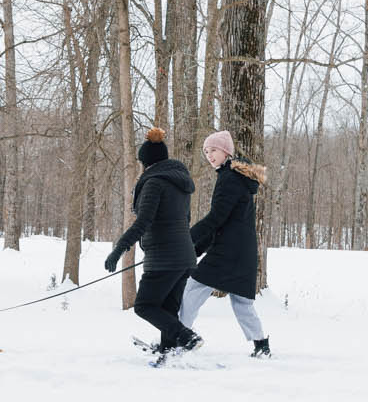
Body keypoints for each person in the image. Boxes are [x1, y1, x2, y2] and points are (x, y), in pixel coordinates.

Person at [105, 126, 200, 364]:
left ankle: (186, 337)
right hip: (184, 257)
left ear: (146, 162)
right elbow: (185, 220)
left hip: (164, 258)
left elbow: (143, 222)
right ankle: (168, 352)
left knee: (144, 306)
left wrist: (118, 250)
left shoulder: (154, 183)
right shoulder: (180, 183)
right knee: (167, 309)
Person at [177, 130, 272, 357]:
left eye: (213, 150)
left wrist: (185, 240)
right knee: (241, 302)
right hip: (240, 251)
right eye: (206, 152)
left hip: (228, 252)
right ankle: (261, 345)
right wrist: (194, 249)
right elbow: (223, 222)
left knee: (192, 291)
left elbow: (216, 219)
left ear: (226, 152)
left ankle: (178, 338)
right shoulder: (236, 177)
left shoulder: (229, 179)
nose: (209, 156)